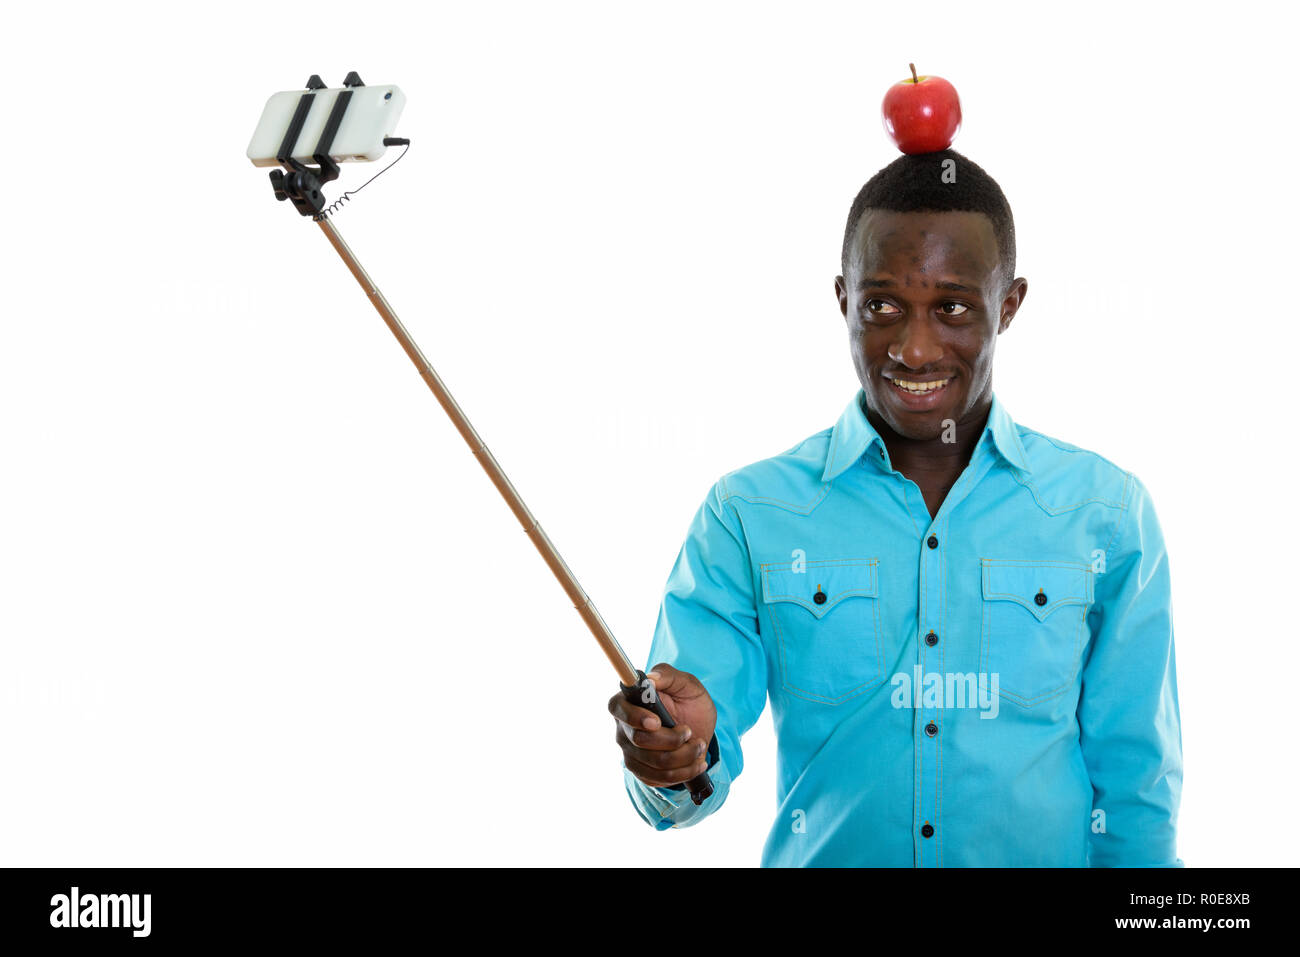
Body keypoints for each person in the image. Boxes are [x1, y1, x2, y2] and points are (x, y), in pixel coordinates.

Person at [608, 148, 1183, 867]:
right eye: (882, 306)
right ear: (844, 299)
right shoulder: (748, 516)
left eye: (951, 307)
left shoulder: (1105, 512)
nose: (914, 349)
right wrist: (673, 753)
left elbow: (1136, 786)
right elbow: (685, 767)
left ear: (1008, 304)